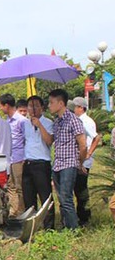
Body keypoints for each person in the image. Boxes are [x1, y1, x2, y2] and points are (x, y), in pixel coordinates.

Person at [49, 89, 86, 230]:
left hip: (69, 163)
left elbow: (82, 145)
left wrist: (80, 162)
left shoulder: (73, 120)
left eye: (52, 102)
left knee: (66, 199)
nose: (49, 105)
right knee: (61, 199)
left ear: (61, 103)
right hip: (58, 164)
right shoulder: (57, 122)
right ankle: (66, 226)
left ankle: (73, 230)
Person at [22, 95, 55, 229]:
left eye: (36, 106)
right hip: (28, 163)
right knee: (28, 198)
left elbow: (49, 141)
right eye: (30, 106)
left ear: (42, 107)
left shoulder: (48, 123)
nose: (33, 108)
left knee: (45, 196)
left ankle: (49, 227)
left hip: (42, 164)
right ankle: (32, 226)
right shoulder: (24, 123)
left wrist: (39, 125)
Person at [70, 96, 101, 226]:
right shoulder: (78, 120)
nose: (72, 109)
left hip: (84, 160)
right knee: (77, 187)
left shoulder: (85, 121)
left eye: (74, 107)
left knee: (81, 188)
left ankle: (84, 217)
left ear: (81, 108)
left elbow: (96, 137)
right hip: (79, 159)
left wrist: (88, 153)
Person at [0, 94, 28, 218]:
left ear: (6, 105)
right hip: (9, 158)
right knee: (10, 186)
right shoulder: (7, 122)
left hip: (19, 158)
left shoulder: (21, 121)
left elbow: (27, 139)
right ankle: (14, 211)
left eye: (1, 106)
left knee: (20, 186)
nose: (1, 109)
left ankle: (22, 212)